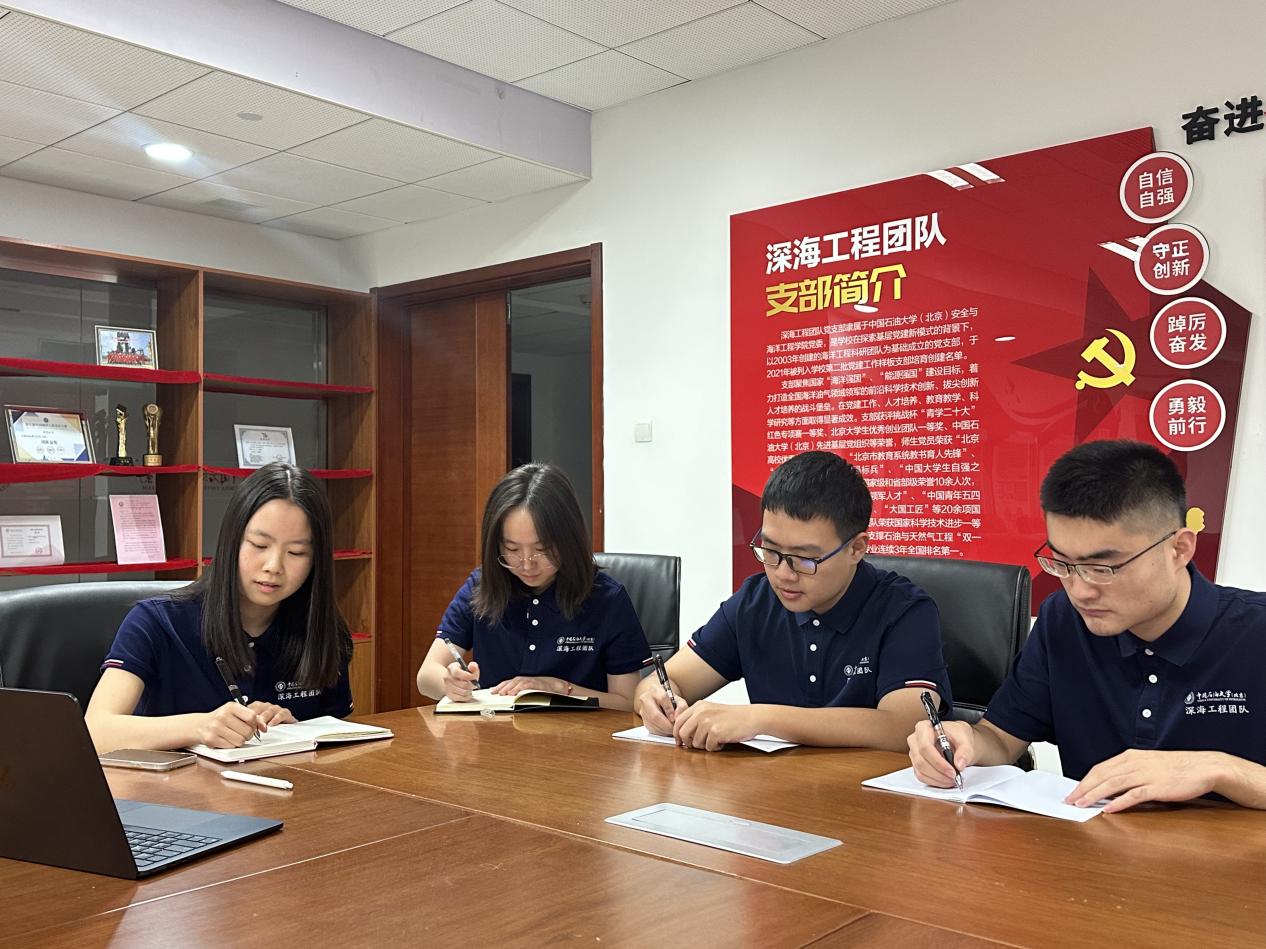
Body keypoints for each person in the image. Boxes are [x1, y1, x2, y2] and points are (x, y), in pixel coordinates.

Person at [908, 439, 1266, 812]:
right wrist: (965, 741)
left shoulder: (1255, 632)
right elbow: (1001, 739)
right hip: (1088, 844)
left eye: (1103, 568)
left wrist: (1221, 770)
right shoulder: (1063, 620)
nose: (1080, 591)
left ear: (1179, 549)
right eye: (1063, 563)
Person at [634, 450, 951, 751]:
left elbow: (905, 726)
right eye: (770, 551)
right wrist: (656, 699)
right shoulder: (754, 602)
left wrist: (763, 718)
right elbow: (664, 681)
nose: (783, 574)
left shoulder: (904, 611)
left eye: (804, 559)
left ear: (856, 548)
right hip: (773, 786)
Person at [86, 463, 353, 753]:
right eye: (259, 545)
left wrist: (297, 729)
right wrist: (199, 727)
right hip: (171, 783)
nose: (273, 566)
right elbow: (96, 731)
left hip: (280, 780)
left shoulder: (323, 630)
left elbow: (340, 744)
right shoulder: (156, 622)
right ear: (231, 541)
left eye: (296, 552)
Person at [416, 463, 651, 710]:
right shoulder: (482, 587)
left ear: (568, 540)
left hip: (579, 733)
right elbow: (426, 677)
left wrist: (558, 688)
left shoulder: (607, 599)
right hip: (494, 730)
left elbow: (628, 703)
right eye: (512, 549)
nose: (527, 564)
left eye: (542, 549)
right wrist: (451, 683)